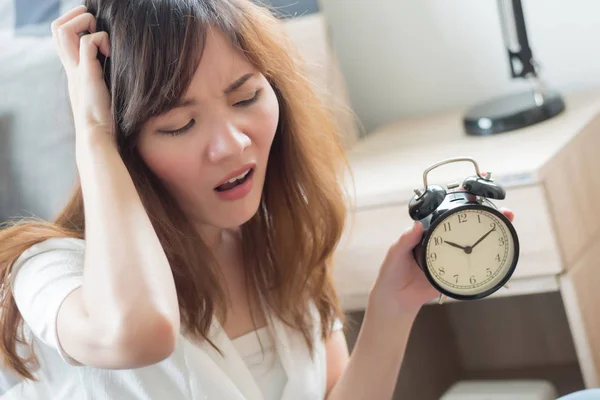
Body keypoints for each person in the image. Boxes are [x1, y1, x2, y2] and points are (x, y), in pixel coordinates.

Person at [0, 0, 515, 399]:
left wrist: (394, 305)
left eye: (246, 97)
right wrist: (91, 130)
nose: (233, 144)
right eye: (179, 124)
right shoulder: (48, 273)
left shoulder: (274, 244)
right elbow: (138, 332)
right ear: (125, 146)